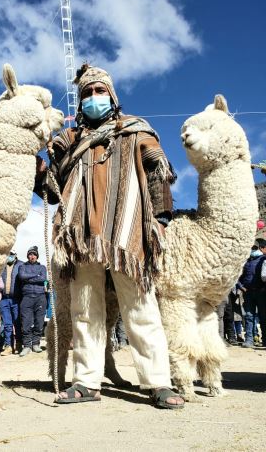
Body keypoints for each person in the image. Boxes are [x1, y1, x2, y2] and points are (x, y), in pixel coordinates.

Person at [34, 64, 184, 408]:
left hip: (127, 231)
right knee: (85, 309)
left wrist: (160, 219)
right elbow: (53, 191)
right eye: (87, 93)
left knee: (140, 306)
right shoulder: (69, 141)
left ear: (112, 96)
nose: (93, 97)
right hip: (81, 234)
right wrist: (35, 167)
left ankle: (158, 382)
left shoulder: (135, 130)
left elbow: (157, 171)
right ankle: (87, 382)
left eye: (100, 91)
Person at [18, 246, 47, 357]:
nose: (32, 256)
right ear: (28, 256)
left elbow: (43, 278)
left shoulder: (42, 267)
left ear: (37, 256)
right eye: (30, 254)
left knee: (39, 322)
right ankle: (26, 346)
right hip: (27, 297)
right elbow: (22, 276)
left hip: (40, 296)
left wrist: (29, 279)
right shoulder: (22, 267)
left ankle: (36, 344)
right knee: (26, 323)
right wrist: (36, 276)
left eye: (34, 254)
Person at [237, 240, 266, 348]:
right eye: (251, 247)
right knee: (249, 316)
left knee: (263, 317)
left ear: (259, 248)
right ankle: (249, 340)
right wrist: (241, 287)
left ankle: (265, 340)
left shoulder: (263, 259)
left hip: (261, 293)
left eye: (255, 247)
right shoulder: (245, 261)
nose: (253, 250)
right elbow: (237, 276)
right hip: (248, 293)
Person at [0, 251, 23, 355]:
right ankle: (8, 346)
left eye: (11, 255)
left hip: (16, 299)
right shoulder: (1, 265)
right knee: (7, 324)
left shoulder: (21, 265)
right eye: (8, 254)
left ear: (15, 255)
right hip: (3, 299)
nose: (9, 256)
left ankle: (18, 345)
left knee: (17, 323)